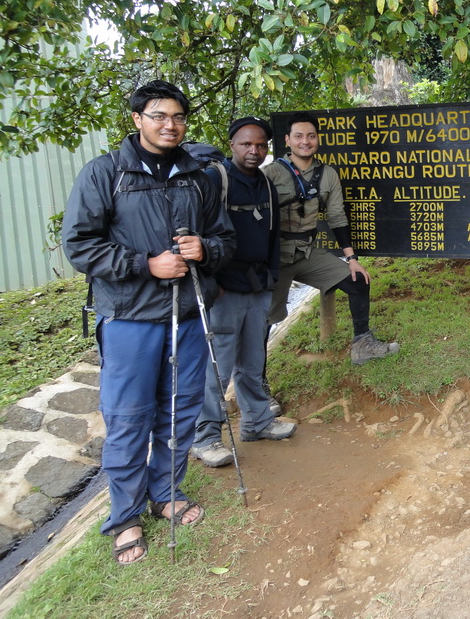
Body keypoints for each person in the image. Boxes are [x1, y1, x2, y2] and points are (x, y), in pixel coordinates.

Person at [62, 80, 235, 564]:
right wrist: (145, 264)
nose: (169, 125)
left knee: (179, 410)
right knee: (128, 417)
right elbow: (79, 245)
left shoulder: (199, 176)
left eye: (177, 116)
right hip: (130, 318)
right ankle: (125, 516)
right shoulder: (105, 173)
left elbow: (225, 240)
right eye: (159, 115)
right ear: (137, 119)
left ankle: (167, 493)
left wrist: (206, 249)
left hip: (188, 314)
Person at [191, 117, 296, 469]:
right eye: (246, 144)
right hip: (223, 291)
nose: (254, 151)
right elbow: (195, 236)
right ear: (232, 144)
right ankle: (204, 437)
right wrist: (211, 284)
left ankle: (257, 422)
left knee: (252, 361)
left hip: (258, 285)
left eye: (261, 145)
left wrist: (272, 276)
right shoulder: (213, 180)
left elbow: (272, 235)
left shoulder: (265, 184)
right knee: (217, 368)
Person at [264, 112, 399, 364]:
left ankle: (362, 345)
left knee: (358, 281)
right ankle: (257, 379)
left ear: (317, 139)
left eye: (311, 136)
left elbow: (337, 217)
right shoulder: (270, 173)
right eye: (299, 136)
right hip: (276, 256)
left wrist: (352, 259)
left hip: (306, 253)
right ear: (288, 140)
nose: (305, 141)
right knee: (264, 318)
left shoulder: (328, 174)